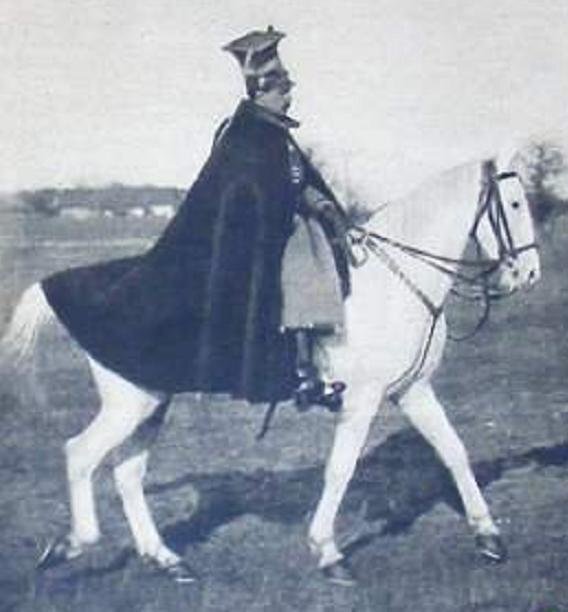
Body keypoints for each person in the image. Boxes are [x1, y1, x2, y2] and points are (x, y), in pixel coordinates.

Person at [41, 26, 350, 409]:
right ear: (262, 91)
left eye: (288, 91)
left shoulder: (276, 134)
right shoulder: (243, 135)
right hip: (248, 249)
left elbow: (294, 179)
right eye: (283, 91)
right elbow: (247, 195)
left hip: (281, 230)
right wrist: (287, 212)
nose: (289, 98)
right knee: (301, 263)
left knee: (313, 248)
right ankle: (306, 371)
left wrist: (319, 201)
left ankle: (318, 364)